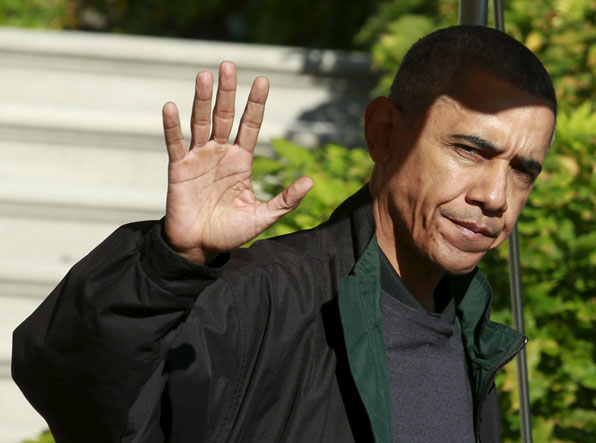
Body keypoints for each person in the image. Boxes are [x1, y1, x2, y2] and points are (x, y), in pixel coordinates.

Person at [12, 25, 556, 443]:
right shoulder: (261, 296)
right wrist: (166, 264)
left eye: (522, 170)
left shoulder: (472, 336)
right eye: (470, 150)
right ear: (384, 133)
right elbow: (77, 392)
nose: (495, 195)